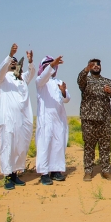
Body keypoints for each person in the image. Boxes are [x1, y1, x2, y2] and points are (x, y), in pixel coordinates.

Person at [0, 44, 35, 190]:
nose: (13, 62)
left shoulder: (22, 78)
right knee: (7, 145)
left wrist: (30, 61)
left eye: (15, 60)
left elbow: (31, 73)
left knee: (20, 146)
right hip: (7, 118)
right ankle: (6, 176)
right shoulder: (3, 78)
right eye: (10, 61)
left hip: (22, 119)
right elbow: (0, 70)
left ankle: (14, 173)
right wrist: (10, 54)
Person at [77, 58, 111, 181]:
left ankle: (106, 170)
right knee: (89, 146)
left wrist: (110, 91)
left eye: (98, 65)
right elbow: (80, 80)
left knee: (105, 146)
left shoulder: (106, 81)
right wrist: (86, 69)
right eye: (93, 65)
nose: (96, 66)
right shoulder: (86, 81)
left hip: (104, 120)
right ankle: (88, 171)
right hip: (88, 119)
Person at [35, 55, 70, 185]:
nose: (53, 68)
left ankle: (55, 170)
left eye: (55, 66)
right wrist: (51, 64)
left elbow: (67, 99)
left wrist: (64, 92)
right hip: (46, 118)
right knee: (45, 144)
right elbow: (44, 76)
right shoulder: (40, 81)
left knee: (58, 144)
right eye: (50, 66)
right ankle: (44, 173)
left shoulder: (59, 81)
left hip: (59, 118)